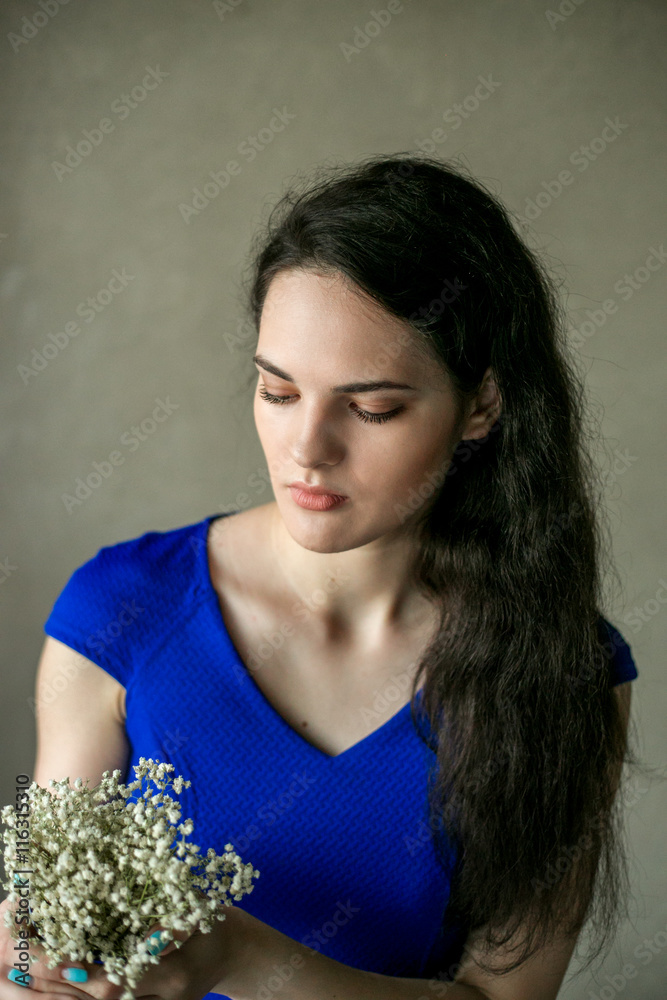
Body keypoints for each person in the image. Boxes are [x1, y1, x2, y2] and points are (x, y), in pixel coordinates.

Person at [1, 154, 646, 1000]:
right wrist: (33, 970)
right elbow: (32, 953)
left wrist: (243, 958)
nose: (307, 449)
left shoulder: (562, 667)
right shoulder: (121, 609)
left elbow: (506, 997)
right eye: (277, 392)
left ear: (482, 406)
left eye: (371, 407)